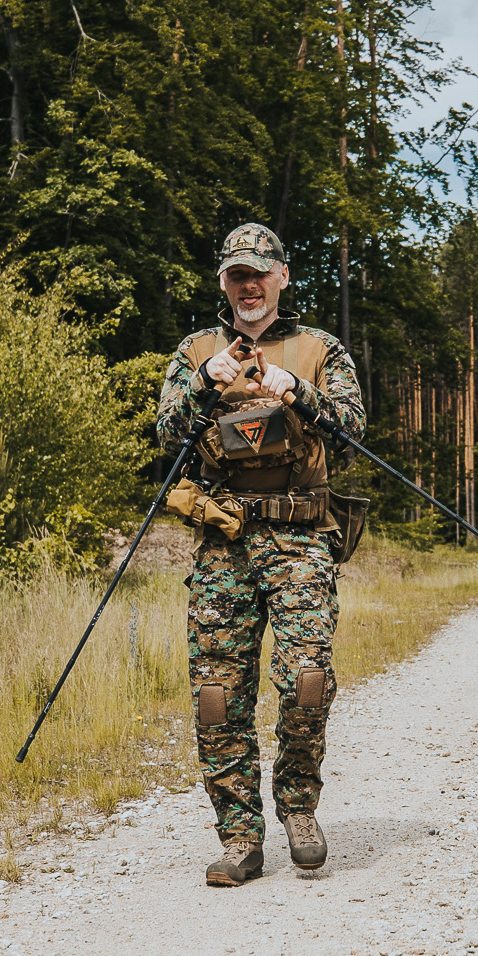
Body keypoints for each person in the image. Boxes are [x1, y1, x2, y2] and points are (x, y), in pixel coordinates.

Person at [156, 223, 366, 886]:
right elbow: (166, 434)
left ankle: (298, 807)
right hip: (224, 540)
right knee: (217, 694)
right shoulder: (197, 350)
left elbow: (354, 429)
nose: (248, 286)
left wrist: (293, 389)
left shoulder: (318, 349)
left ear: (281, 278)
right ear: (224, 283)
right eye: (236, 276)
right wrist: (201, 386)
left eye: (259, 274)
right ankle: (240, 836)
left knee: (306, 681)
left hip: (301, 538)